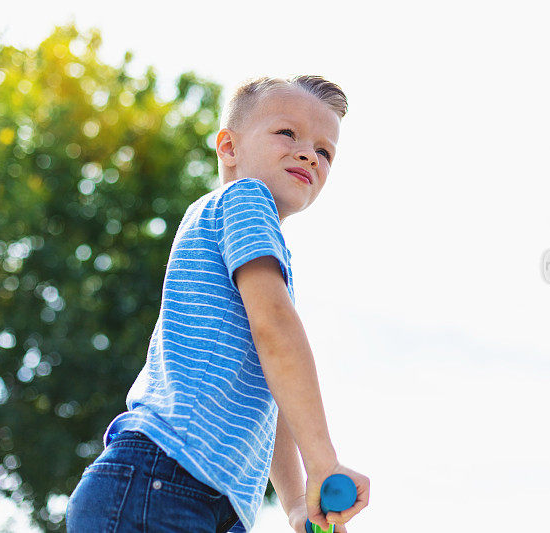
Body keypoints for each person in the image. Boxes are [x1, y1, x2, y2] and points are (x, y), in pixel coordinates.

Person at [65, 75, 370, 533]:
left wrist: (293, 502)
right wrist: (324, 461)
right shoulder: (245, 199)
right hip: (163, 481)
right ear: (228, 148)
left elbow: (277, 382)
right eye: (288, 133)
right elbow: (276, 332)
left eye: (325, 151)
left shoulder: (256, 245)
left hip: (186, 494)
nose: (309, 153)